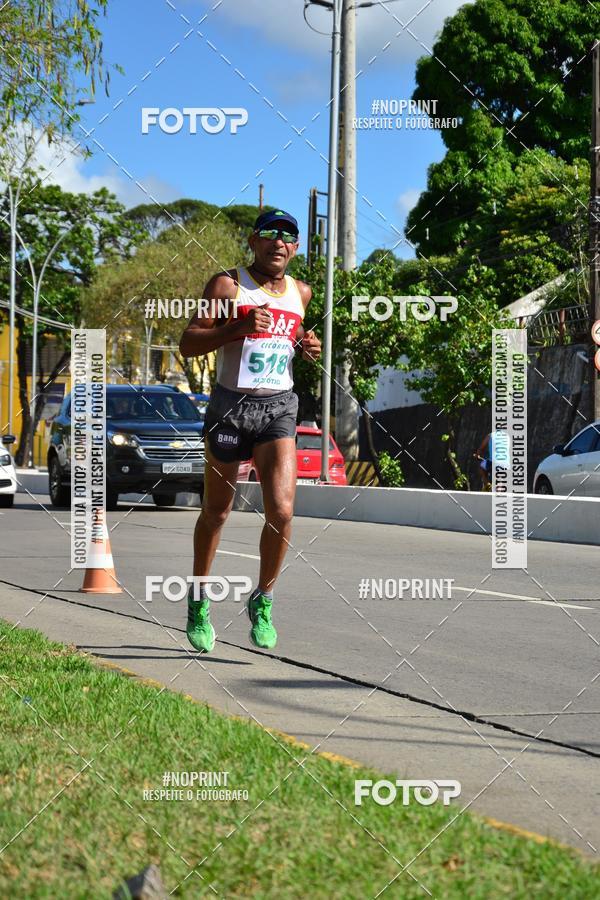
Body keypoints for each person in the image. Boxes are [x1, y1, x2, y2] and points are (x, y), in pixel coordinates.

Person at [179, 209, 321, 653]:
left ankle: (263, 599)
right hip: (230, 407)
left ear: (295, 249)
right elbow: (188, 340)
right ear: (253, 242)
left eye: (288, 238)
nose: (279, 243)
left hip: (279, 407)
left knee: (280, 510)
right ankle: (199, 600)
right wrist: (238, 326)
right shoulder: (227, 285)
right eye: (270, 235)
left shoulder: (302, 292)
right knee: (217, 512)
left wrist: (305, 344)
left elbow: (287, 339)